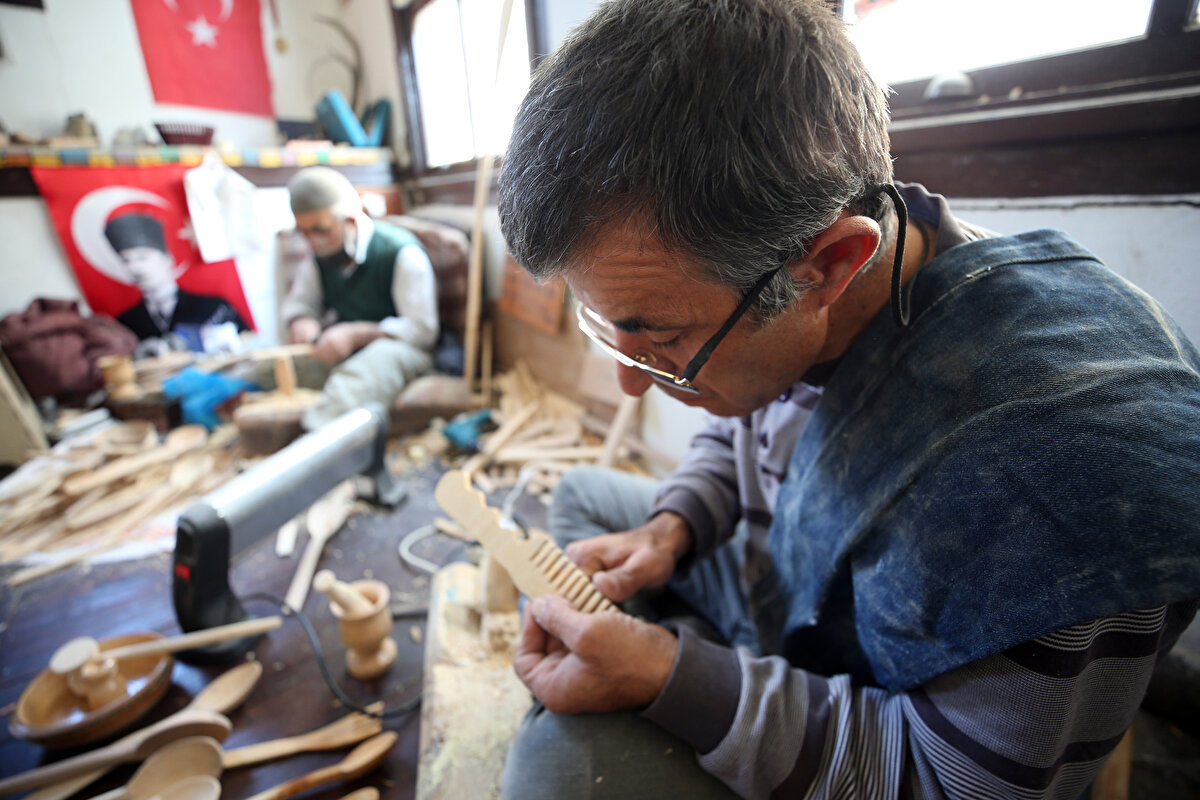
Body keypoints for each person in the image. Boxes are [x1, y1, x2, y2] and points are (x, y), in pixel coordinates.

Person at [494, 1, 1200, 798]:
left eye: (660, 340)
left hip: (894, 716)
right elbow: (742, 426)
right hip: (790, 592)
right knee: (585, 499)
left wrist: (670, 677)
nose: (631, 380)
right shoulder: (818, 263)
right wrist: (672, 528)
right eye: (613, 333)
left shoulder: (1051, 489)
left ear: (831, 264)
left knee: (554, 769)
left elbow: (952, 785)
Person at [283, 167, 438, 429]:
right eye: (304, 233)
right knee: (276, 367)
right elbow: (301, 303)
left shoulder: (402, 254)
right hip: (349, 348)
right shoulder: (319, 258)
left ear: (351, 221)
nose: (312, 242)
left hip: (400, 348)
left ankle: (314, 440)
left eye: (320, 230)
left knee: (364, 374)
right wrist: (300, 320)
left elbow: (423, 331)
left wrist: (357, 334)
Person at [107, 212, 248, 343]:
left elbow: (248, 343)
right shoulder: (124, 324)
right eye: (126, 260)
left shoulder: (214, 308)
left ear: (168, 260)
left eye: (142, 258)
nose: (135, 267)